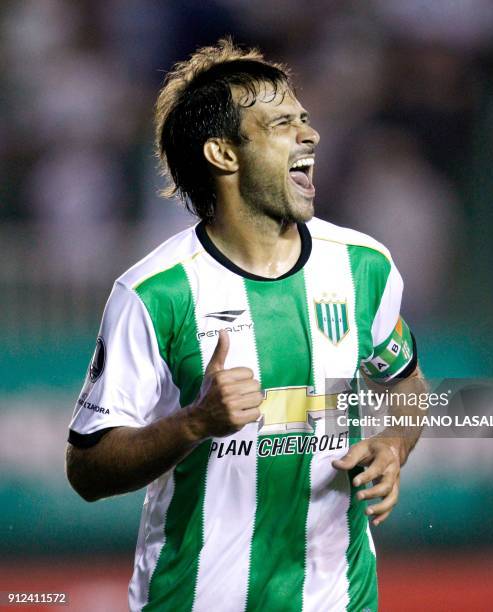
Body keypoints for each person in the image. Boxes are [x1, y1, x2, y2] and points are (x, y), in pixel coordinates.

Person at [66, 38, 426, 612]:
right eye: (283, 122)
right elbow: (86, 469)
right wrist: (195, 423)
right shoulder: (154, 293)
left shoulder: (364, 266)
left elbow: (406, 385)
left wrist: (392, 444)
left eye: (305, 119)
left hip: (337, 597)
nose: (310, 135)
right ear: (224, 154)